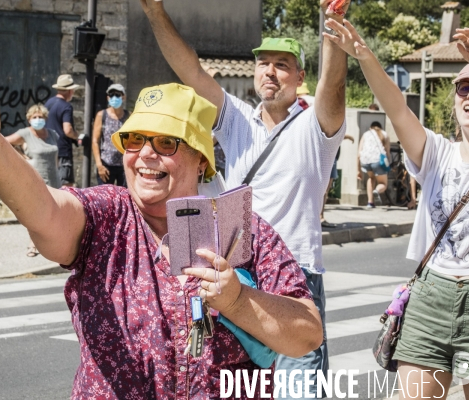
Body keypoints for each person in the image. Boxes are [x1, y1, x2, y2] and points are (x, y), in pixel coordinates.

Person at [0, 80, 323, 399]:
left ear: (201, 159)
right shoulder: (109, 214)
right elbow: (46, 212)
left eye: (166, 144)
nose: (145, 155)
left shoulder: (241, 227)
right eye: (135, 140)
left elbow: (306, 334)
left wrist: (238, 300)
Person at [140, 0, 350, 397]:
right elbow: (190, 70)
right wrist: (154, 11)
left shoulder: (315, 127)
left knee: (298, 392)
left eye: (282, 64)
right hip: (236, 278)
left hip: (294, 280)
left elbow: (333, 88)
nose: (270, 71)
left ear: (300, 76)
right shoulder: (236, 118)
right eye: (263, 63)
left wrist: (332, 24)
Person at [325, 19, 469, 398]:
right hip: (430, 298)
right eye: (465, 87)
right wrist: (363, 55)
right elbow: (396, 106)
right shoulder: (437, 154)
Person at [6, 103, 61, 257]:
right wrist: (21, 158)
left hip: (54, 179)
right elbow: (5, 142)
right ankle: (33, 244)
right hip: (35, 180)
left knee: (53, 213)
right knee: (36, 214)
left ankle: (51, 245)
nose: (38, 120)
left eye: (41, 117)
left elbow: (55, 156)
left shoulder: (52, 134)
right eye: (34, 117)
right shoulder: (25, 134)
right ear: (29, 119)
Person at [91, 83, 130, 186]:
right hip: (106, 164)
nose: (114, 98)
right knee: (105, 196)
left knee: (124, 196)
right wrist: (99, 165)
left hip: (124, 165)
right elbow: (95, 141)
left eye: (117, 95)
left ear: (123, 97)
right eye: (111, 95)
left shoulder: (128, 116)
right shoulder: (102, 115)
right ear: (108, 98)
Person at [45, 74, 80, 187]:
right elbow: (68, 130)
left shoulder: (48, 103)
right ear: (70, 91)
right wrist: (77, 136)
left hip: (48, 147)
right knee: (66, 185)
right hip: (62, 150)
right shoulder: (66, 106)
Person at [320, 135, 354, 228]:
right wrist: (346, 136)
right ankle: (320, 217)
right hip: (328, 156)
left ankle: (319, 216)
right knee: (324, 190)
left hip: (328, 156)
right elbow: (330, 134)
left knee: (323, 190)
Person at [357, 121, 391, 208]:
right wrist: (388, 163)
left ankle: (370, 202)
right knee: (383, 183)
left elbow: (359, 154)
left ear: (370, 128)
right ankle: (377, 191)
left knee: (371, 178)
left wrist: (358, 170)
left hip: (365, 161)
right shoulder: (384, 134)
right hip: (378, 161)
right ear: (381, 127)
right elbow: (387, 152)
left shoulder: (365, 134)